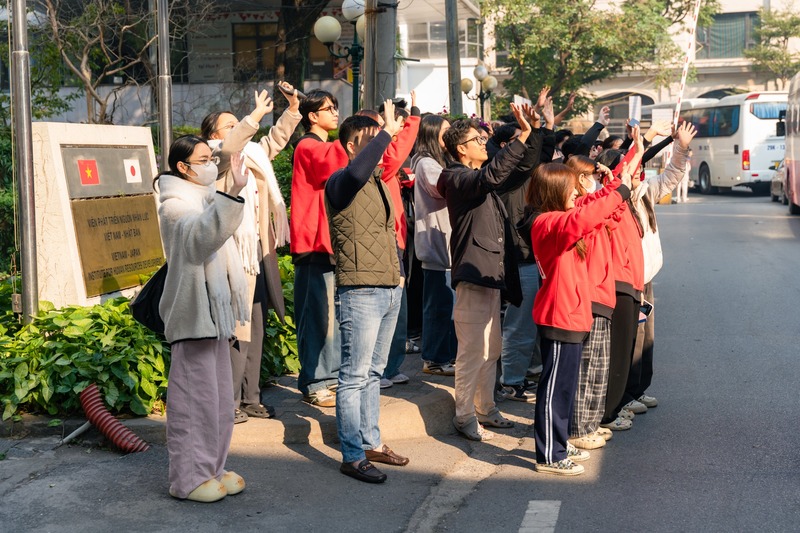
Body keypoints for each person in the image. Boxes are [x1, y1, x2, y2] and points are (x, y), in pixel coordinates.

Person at [155, 135, 250, 502]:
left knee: (218, 402)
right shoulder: (174, 205)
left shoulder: (206, 197)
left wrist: (227, 195)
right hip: (193, 315)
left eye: (212, 158)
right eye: (203, 159)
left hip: (213, 318)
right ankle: (189, 478)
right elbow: (199, 239)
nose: (211, 164)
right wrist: (232, 194)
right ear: (183, 167)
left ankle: (213, 468)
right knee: (194, 404)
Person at [201, 82, 302, 424]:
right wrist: (255, 115)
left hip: (257, 252)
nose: (239, 127)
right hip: (231, 256)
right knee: (236, 331)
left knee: (255, 327)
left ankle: (250, 397)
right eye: (230, 124)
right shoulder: (213, 159)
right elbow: (231, 145)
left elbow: (275, 140)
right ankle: (228, 402)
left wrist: (292, 109)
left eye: (238, 123)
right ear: (213, 135)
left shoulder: (253, 156)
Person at [528, 161, 632, 475]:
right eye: (571, 188)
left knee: (566, 388)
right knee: (554, 390)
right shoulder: (546, 222)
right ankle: (549, 454)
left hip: (571, 315)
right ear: (554, 190)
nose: (577, 193)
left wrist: (614, 187)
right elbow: (584, 216)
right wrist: (619, 191)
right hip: (559, 315)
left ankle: (558, 443)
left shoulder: (559, 219)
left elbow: (592, 212)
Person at [325, 102, 409, 483]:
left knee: (374, 372)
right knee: (354, 376)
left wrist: (400, 277)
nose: (379, 144)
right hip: (360, 291)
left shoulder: (377, 183)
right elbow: (358, 170)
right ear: (350, 146)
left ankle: (371, 442)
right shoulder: (341, 182)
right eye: (370, 139)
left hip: (389, 287)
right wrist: (387, 131)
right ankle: (352, 454)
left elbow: (389, 233)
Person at [437, 104, 531, 441]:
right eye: (477, 139)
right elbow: (491, 176)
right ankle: (464, 415)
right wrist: (523, 136)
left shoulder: (476, 180)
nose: (483, 143)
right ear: (460, 149)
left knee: (491, 349)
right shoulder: (456, 177)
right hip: (474, 275)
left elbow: (500, 174)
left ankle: (486, 408)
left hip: (490, 274)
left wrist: (530, 136)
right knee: (472, 351)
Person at [623, 122, 697, 413]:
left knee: (646, 339)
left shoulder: (644, 191)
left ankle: (638, 390)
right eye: (634, 166)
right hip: (628, 280)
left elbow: (673, 174)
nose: (638, 170)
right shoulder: (618, 198)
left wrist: (681, 147)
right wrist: (648, 136)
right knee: (631, 340)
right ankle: (624, 396)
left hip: (646, 277)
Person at [291, 89, 349, 407]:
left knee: (330, 317)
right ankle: (316, 381)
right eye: (330, 108)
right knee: (317, 317)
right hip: (313, 243)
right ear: (312, 116)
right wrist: (362, 132)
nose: (335, 113)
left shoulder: (322, 145)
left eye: (336, 108)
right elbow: (332, 164)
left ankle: (328, 377)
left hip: (325, 242)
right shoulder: (308, 145)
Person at [412, 114, 457, 376]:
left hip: (444, 245)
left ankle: (443, 357)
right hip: (437, 246)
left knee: (446, 306)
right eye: (445, 130)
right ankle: (434, 359)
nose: (449, 134)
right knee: (439, 308)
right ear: (432, 133)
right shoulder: (427, 164)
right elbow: (444, 188)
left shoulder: (438, 161)